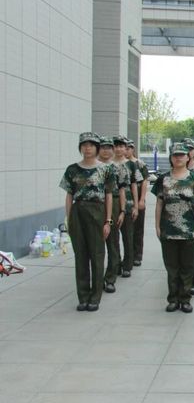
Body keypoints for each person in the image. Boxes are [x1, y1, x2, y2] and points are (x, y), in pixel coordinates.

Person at [60, 132, 114, 311]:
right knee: (81, 255)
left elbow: (108, 195)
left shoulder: (106, 169)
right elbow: (69, 195)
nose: (87, 148)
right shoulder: (72, 169)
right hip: (78, 211)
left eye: (91, 145)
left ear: (96, 148)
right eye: (84, 145)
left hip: (97, 211)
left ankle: (95, 296)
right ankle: (83, 296)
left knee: (97, 255)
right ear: (80, 148)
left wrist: (108, 221)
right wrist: (69, 219)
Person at [152, 142, 194, 313]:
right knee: (171, 267)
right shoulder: (164, 179)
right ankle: (173, 299)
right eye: (175, 155)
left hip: (188, 230)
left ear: (187, 157)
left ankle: (185, 299)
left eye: (182, 155)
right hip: (168, 230)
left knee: (187, 266)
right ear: (171, 158)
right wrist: (157, 226)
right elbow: (159, 204)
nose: (178, 158)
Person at [97, 136, 128, 294]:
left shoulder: (118, 168)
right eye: (103, 147)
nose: (106, 150)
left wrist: (122, 211)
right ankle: (97, 278)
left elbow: (122, 190)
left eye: (109, 147)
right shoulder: (93, 167)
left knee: (113, 243)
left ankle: (110, 279)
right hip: (96, 205)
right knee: (96, 244)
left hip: (114, 204)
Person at [114, 136, 141, 279]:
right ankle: (116, 263)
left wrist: (136, 206)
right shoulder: (107, 164)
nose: (118, 149)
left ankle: (127, 265)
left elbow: (134, 185)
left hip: (129, 205)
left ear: (126, 148)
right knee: (113, 238)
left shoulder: (131, 165)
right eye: (116, 146)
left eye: (121, 146)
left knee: (128, 236)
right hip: (113, 205)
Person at [127, 140, 149, 267]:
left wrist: (141, 200)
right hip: (125, 201)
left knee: (138, 229)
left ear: (133, 149)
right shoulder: (121, 164)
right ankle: (128, 256)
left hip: (138, 199)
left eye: (129, 148)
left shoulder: (139, 164)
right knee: (127, 230)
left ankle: (137, 255)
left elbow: (145, 181)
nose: (126, 150)